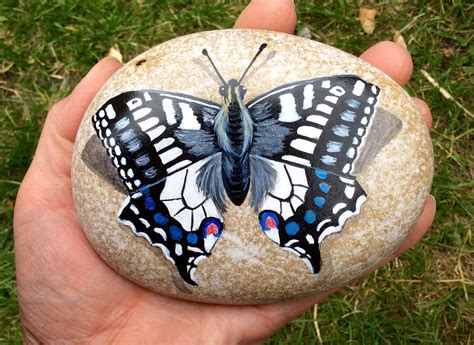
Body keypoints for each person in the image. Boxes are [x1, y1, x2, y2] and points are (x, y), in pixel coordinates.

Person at [14, 0, 435, 343]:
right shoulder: (295, 108)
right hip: (284, 179)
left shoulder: (174, 118)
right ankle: (273, 238)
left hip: (191, 187)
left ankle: (202, 248)